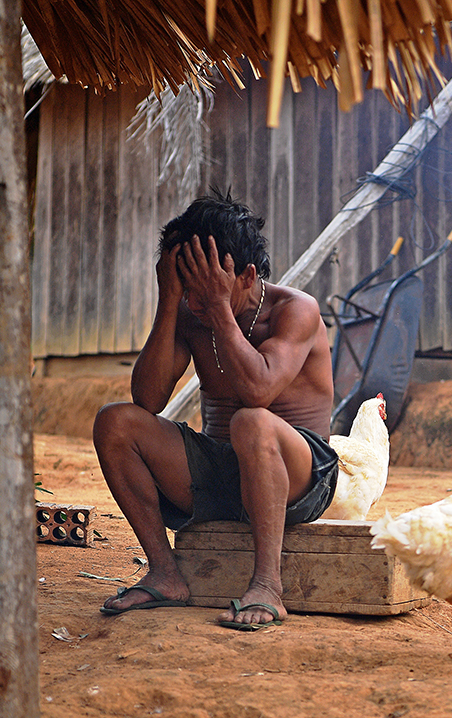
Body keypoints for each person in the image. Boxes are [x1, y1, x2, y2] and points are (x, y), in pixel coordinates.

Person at [93, 189, 337, 628]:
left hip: (299, 477)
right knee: (115, 422)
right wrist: (169, 301)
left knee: (251, 421)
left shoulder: (296, 310)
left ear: (245, 275)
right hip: (221, 473)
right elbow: (147, 401)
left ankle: (267, 585)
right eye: (188, 288)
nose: (195, 303)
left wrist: (220, 309)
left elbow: (259, 390)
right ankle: (165, 574)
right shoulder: (188, 310)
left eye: (205, 289)